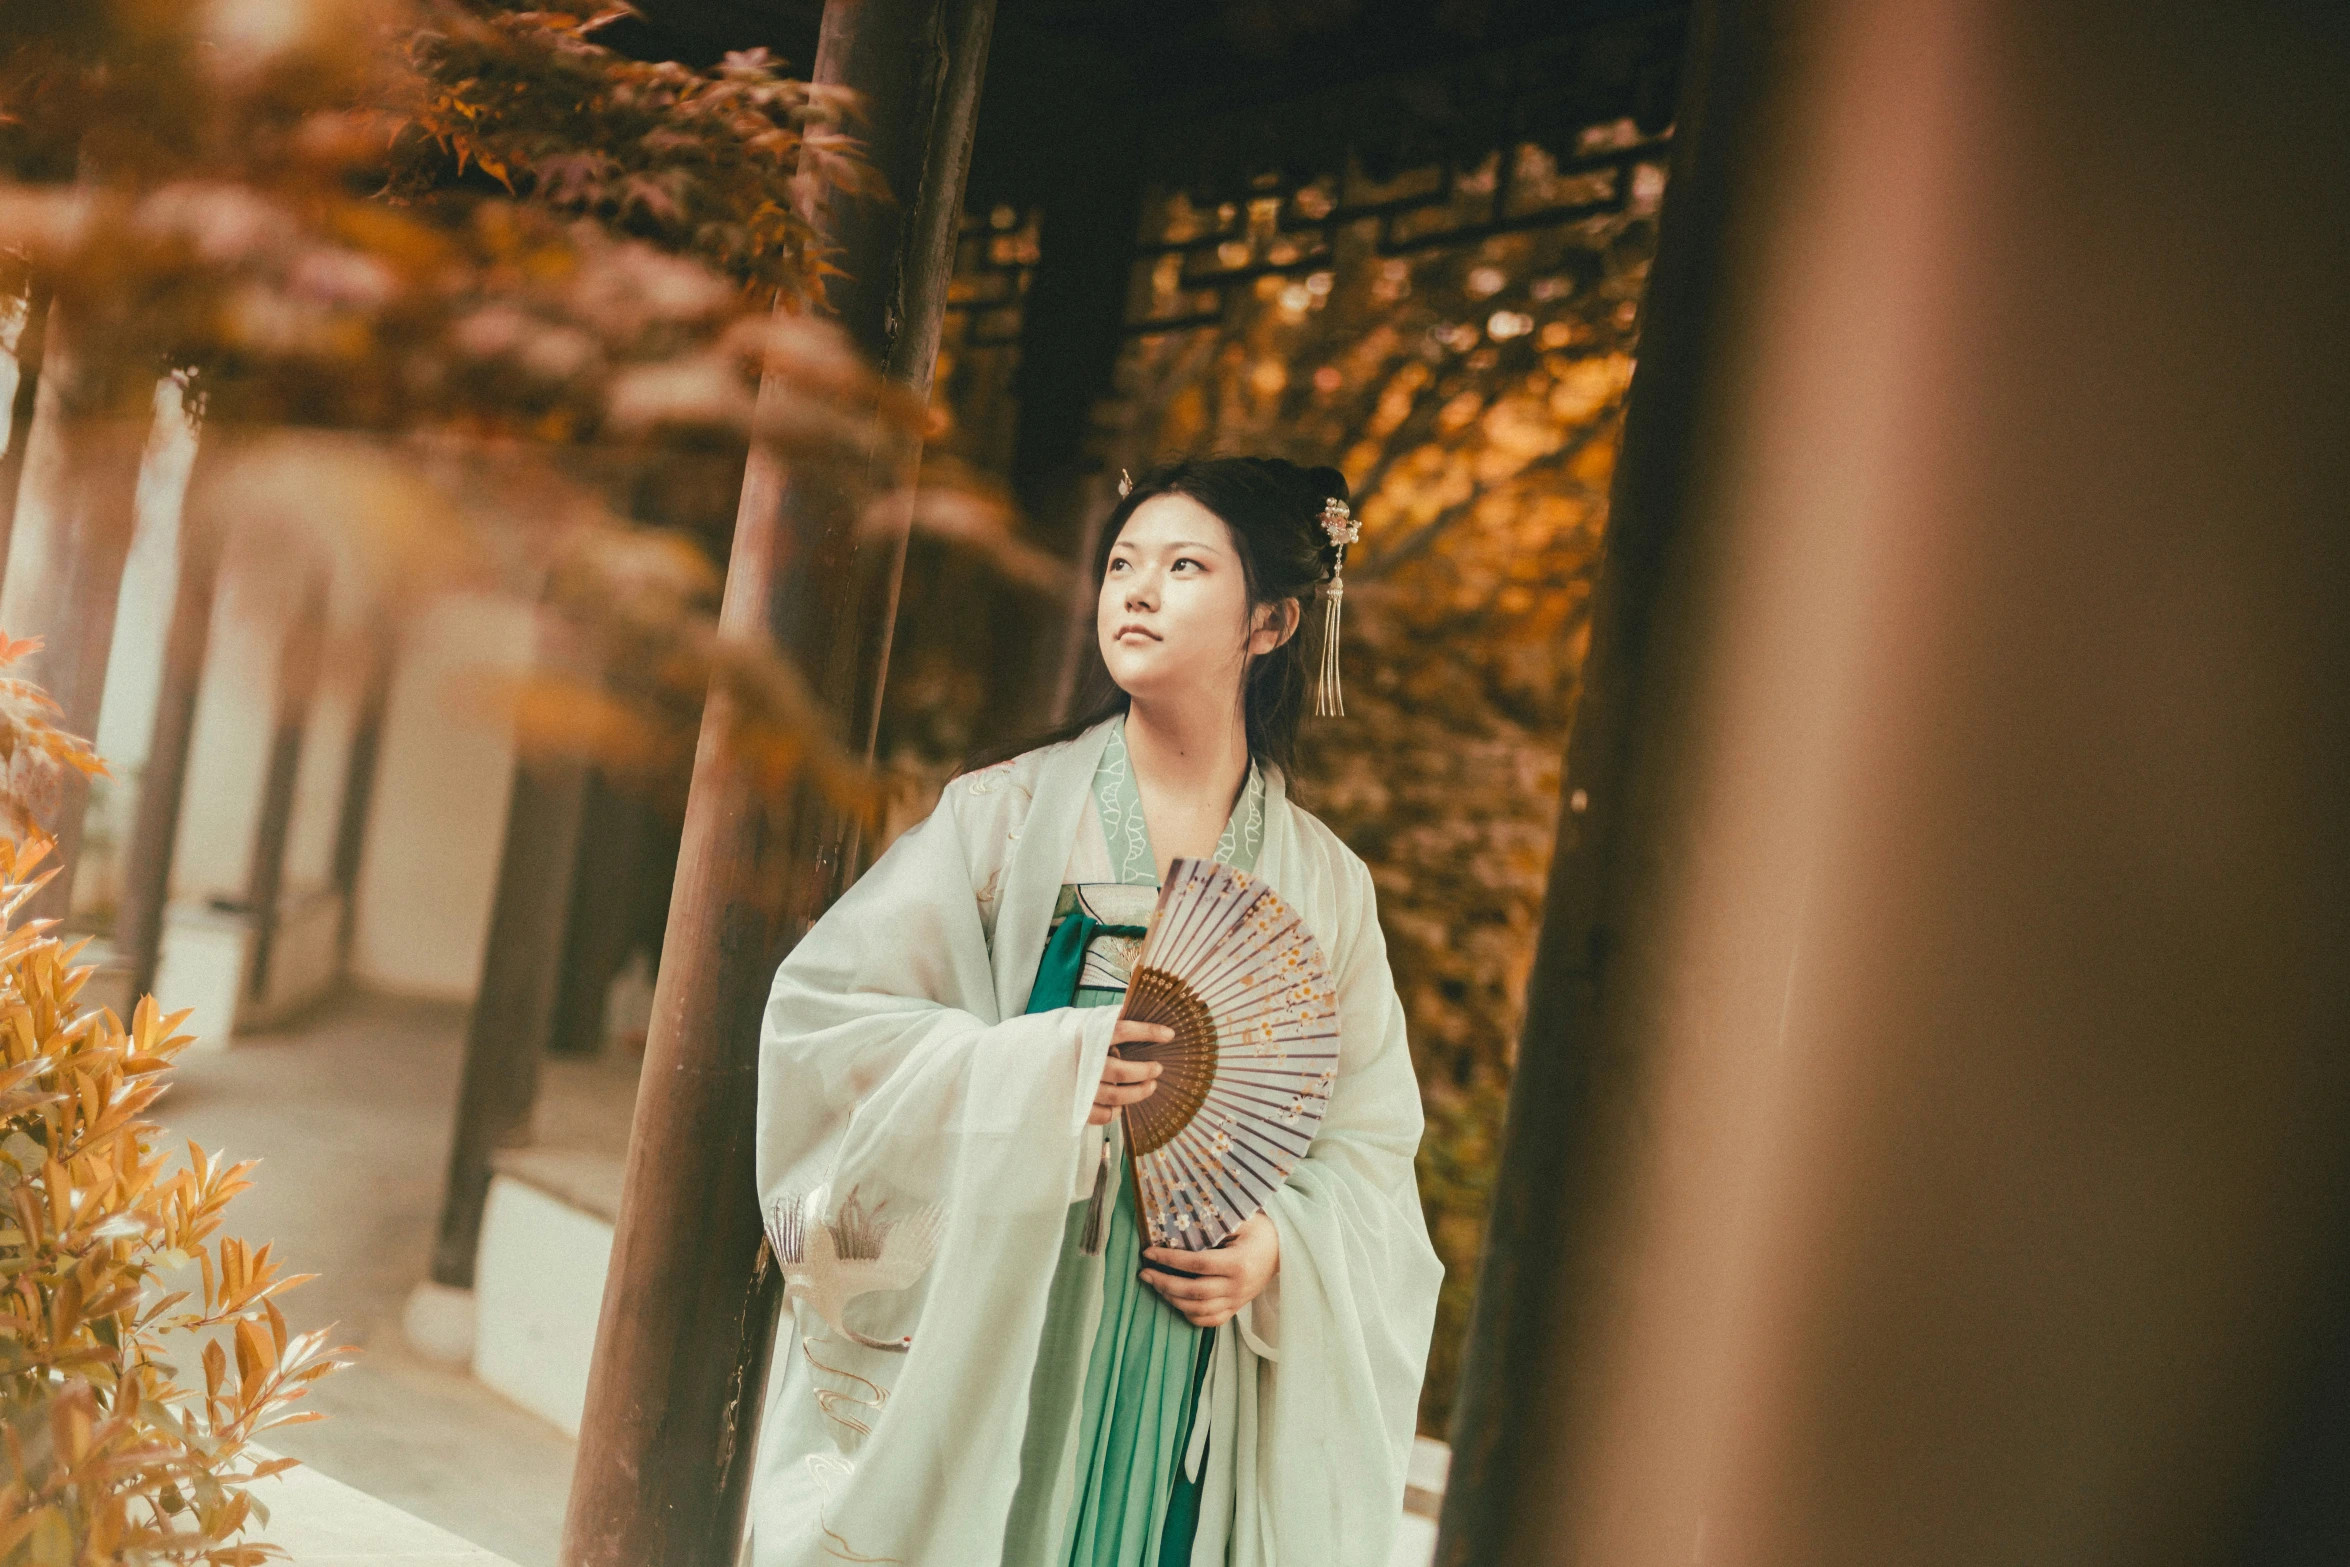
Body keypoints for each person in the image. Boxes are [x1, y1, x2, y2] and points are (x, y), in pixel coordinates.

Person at [751, 457, 1442, 1567]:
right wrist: (1049, 1064)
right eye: (1123, 563)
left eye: (1182, 567)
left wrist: (1275, 1249)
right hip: (1012, 1283)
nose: (1137, 589)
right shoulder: (999, 818)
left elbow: (1367, 1144)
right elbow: (828, 1018)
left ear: (1268, 622)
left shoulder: (1325, 886)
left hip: (1181, 1330)